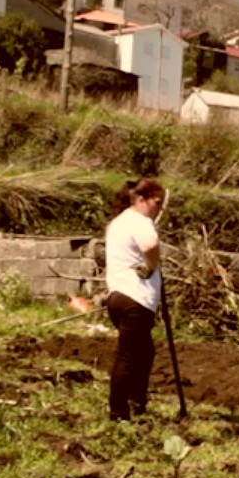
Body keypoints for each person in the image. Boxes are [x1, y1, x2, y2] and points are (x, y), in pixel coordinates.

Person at [104, 178, 165, 422]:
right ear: (141, 200)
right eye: (157, 203)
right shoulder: (141, 221)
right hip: (135, 299)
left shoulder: (118, 223)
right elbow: (150, 244)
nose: (159, 209)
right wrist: (152, 266)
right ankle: (119, 412)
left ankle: (137, 402)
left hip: (117, 296)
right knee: (128, 356)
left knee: (145, 352)